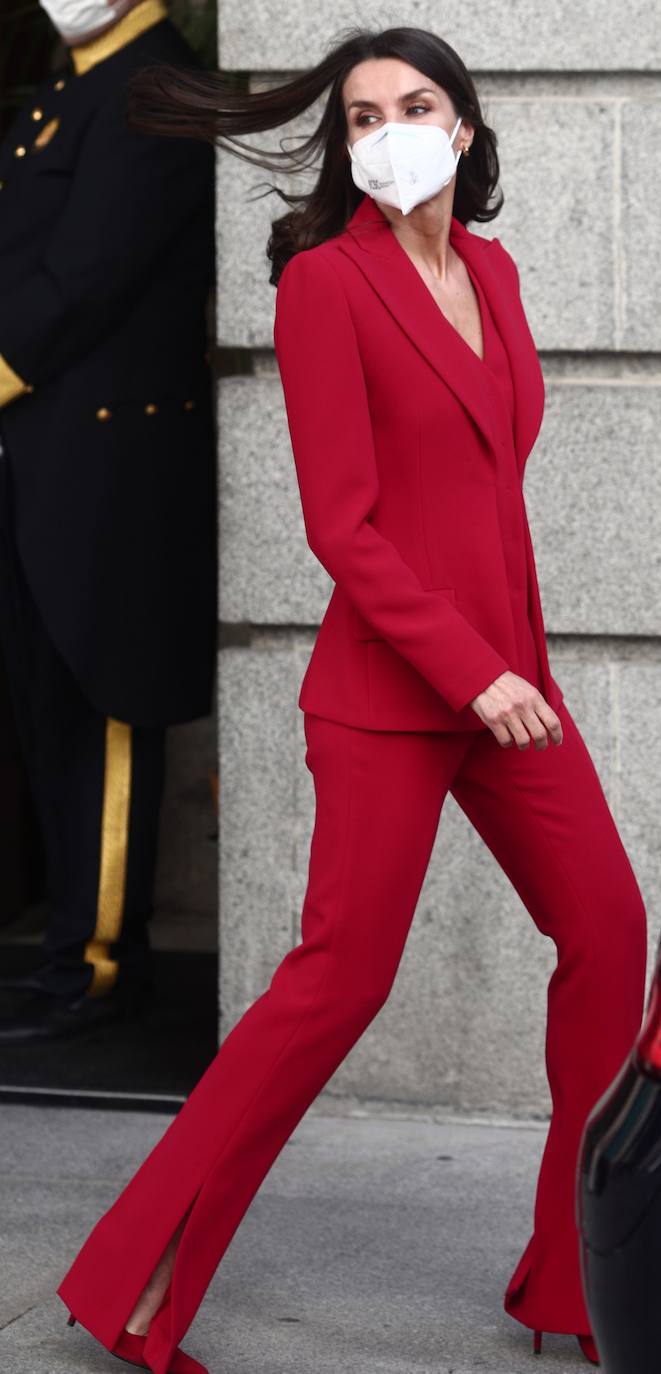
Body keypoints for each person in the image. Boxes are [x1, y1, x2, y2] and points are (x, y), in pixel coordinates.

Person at [55, 25, 648, 1373]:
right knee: (335, 985)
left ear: (464, 127)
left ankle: (570, 1280)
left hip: (511, 687)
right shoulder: (327, 286)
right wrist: (473, 671)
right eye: (361, 112)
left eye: (414, 104)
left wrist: (515, 667)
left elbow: (491, 495)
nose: (384, 127)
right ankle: (129, 1286)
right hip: (397, 693)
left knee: (610, 937)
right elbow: (346, 526)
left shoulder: (491, 274)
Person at [0, 0, 216, 1041]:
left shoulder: (156, 86)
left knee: (103, 713)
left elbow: (84, 276)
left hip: (110, 470)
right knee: (48, 713)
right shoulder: (75, 81)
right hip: (43, 459)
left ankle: (93, 967)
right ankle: (59, 951)